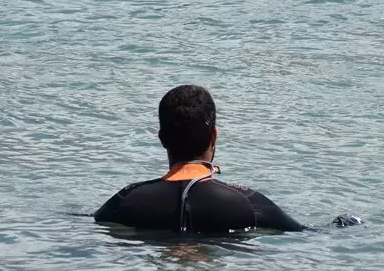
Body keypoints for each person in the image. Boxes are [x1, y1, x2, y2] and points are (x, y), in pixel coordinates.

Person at [94, 85, 305, 234]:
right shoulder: (248, 203)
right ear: (214, 136)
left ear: (162, 139)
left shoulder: (126, 201)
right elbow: (306, 235)